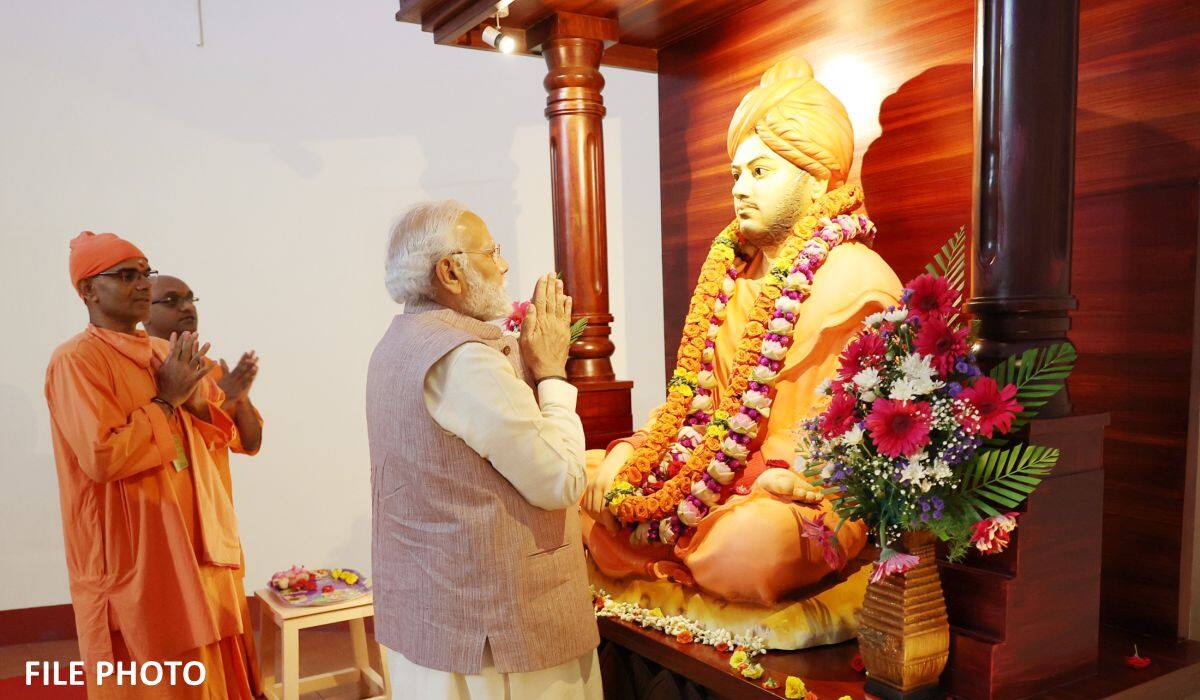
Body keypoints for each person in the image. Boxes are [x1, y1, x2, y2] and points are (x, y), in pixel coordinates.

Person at [581, 58, 903, 635]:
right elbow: (694, 405)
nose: (739, 190)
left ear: (818, 178)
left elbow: (863, 447)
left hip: (795, 496)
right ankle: (678, 534)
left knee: (751, 547)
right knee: (584, 482)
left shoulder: (860, 282)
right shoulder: (731, 276)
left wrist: (780, 472)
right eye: (735, 174)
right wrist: (634, 451)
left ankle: (692, 541)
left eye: (759, 171)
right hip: (711, 476)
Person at [367, 201, 601, 699]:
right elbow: (558, 480)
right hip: (498, 630)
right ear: (450, 271)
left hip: (435, 607)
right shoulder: (463, 359)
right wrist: (554, 373)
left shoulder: (399, 341)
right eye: (492, 251)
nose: (504, 264)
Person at [45, 231, 253, 698]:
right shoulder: (76, 361)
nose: (141, 284)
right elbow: (103, 457)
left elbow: (220, 432)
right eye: (126, 275)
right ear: (88, 291)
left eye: (145, 273)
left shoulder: (163, 352)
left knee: (204, 671)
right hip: (131, 554)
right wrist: (166, 399)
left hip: (190, 541)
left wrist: (222, 400)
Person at [144, 274, 263, 695]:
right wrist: (211, 400)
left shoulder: (213, 369)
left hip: (214, 523)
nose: (185, 307)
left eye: (189, 298)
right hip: (167, 526)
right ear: (144, 311)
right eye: (170, 300)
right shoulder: (141, 366)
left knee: (228, 624)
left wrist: (239, 397)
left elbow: (249, 442)